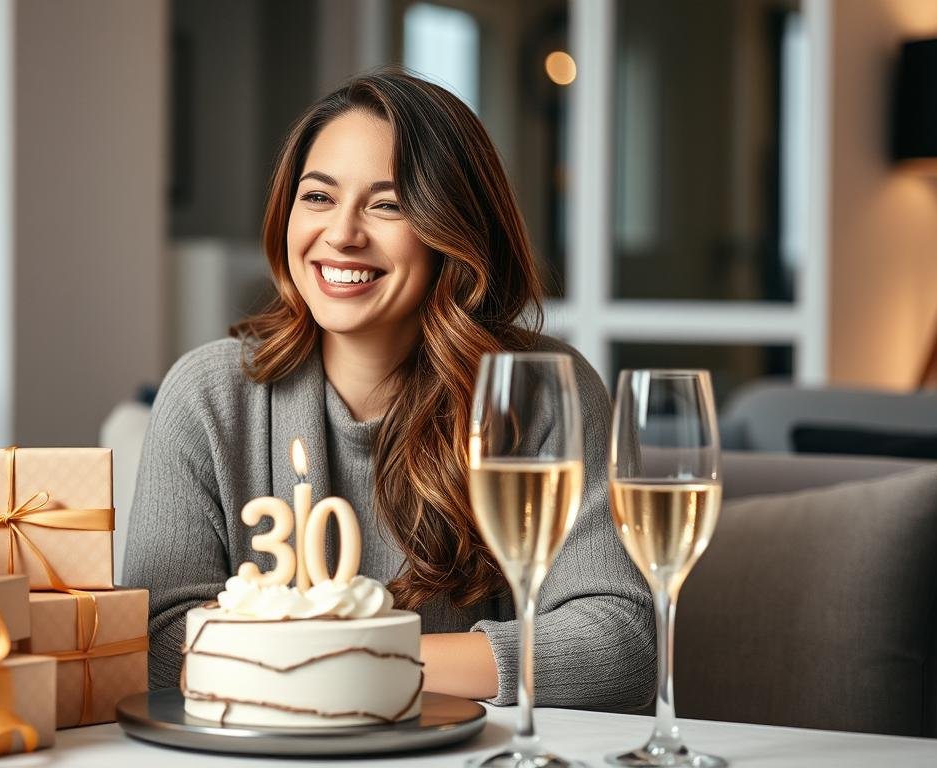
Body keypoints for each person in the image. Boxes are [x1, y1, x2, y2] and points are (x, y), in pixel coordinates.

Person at [124, 68, 653, 708]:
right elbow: (156, 648)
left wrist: (355, 658)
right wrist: (367, 663)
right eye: (318, 197)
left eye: (387, 204)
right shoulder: (208, 397)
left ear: (452, 231)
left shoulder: (543, 392)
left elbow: (618, 649)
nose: (342, 233)